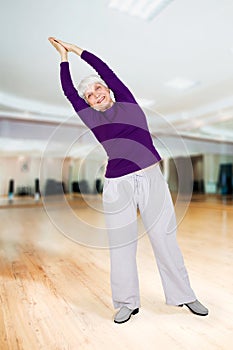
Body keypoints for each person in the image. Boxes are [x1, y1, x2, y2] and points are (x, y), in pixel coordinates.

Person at [48, 37, 208, 323]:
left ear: (109, 91)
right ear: (89, 105)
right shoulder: (93, 120)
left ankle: (184, 295)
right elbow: (69, 93)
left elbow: (106, 70)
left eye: (98, 88)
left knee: (165, 238)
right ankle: (126, 303)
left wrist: (75, 50)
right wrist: (62, 60)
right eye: (90, 95)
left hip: (150, 177)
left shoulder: (129, 104)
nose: (95, 93)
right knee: (121, 244)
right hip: (117, 184)